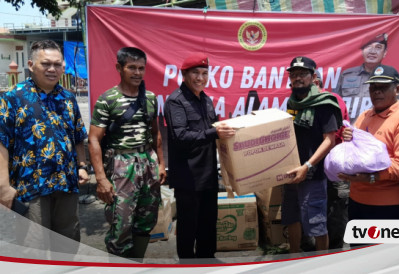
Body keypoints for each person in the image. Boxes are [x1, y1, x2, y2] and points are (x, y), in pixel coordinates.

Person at [0, 40, 89, 256]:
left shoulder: (68, 98)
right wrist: (3, 186)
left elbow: (77, 135)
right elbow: (1, 142)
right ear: (31, 64)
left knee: (68, 242)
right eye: (46, 63)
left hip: (66, 182)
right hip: (30, 185)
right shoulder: (13, 97)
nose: (52, 69)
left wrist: (82, 165)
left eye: (57, 64)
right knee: (34, 246)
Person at [88, 47, 166, 259]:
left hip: (147, 162)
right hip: (121, 165)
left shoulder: (150, 97)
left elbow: (155, 133)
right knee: (121, 223)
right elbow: (93, 139)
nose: (137, 73)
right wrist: (101, 179)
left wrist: (160, 163)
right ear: (119, 68)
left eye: (141, 68)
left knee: (147, 219)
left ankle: (136, 262)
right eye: (132, 67)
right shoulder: (108, 99)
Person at [164, 52, 235, 259]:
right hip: (188, 177)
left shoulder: (206, 100)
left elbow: (212, 129)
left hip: (209, 174)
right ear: (184, 75)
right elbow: (180, 136)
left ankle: (207, 260)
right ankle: (187, 265)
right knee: (188, 227)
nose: (200, 78)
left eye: (205, 73)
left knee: (208, 224)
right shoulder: (175, 101)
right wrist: (215, 132)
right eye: (196, 73)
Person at [338, 65, 399, 223]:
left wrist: (371, 178)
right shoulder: (365, 115)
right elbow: (354, 150)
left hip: (387, 204)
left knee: (382, 248)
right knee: (359, 248)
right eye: (373, 87)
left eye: (383, 87)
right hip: (357, 198)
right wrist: (347, 138)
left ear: (397, 89)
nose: (376, 92)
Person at [284, 56, 342, 253]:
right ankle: (293, 259)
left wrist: (307, 166)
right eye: (294, 74)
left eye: (302, 74)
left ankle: (320, 262)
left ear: (313, 77)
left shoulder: (325, 104)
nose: (297, 78)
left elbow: (329, 140)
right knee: (291, 217)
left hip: (313, 174)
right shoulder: (292, 102)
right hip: (291, 171)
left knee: (316, 221)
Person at [333, 33, 399, 124]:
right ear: (362, 50)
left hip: (377, 133)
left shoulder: (393, 77)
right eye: (368, 46)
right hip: (348, 133)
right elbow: (335, 105)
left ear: (385, 52)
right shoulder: (346, 75)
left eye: (378, 47)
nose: (372, 51)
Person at [314, 70, 350, 250]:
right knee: (317, 209)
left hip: (334, 165)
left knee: (336, 209)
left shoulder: (332, 99)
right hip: (314, 167)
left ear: (316, 81)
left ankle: (335, 252)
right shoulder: (299, 103)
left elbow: (333, 134)